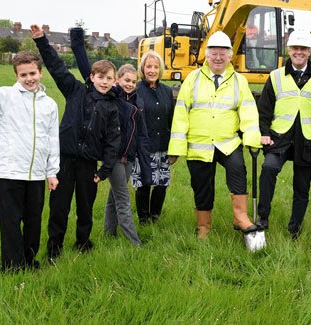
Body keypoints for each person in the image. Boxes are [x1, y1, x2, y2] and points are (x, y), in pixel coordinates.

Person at [0, 41, 60, 272]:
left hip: (37, 174)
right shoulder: (5, 97)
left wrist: (52, 172)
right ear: (16, 75)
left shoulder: (50, 105)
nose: (29, 79)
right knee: (10, 223)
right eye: (23, 74)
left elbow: (52, 139)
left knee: (33, 222)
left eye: (33, 73)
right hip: (10, 172)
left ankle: (29, 261)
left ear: (40, 72)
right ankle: (11, 266)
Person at [168, 31, 265, 251]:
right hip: (199, 145)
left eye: (223, 54)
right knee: (202, 186)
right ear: (207, 56)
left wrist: (252, 141)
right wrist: (176, 148)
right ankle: (203, 227)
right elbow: (181, 113)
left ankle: (240, 217)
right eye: (214, 54)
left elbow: (249, 113)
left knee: (238, 171)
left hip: (227, 142)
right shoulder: (192, 79)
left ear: (230, 56)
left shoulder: (239, 81)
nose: (218, 58)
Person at [31, 24, 121, 262]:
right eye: (100, 77)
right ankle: (54, 248)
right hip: (64, 161)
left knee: (85, 207)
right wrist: (42, 41)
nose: (104, 82)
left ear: (114, 82)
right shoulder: (75, 90)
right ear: (91, 77)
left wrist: (104, 171)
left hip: (89, 164)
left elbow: (113, 142)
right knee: (59, 208)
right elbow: (57, 67)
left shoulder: (112, 108)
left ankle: (83, 242)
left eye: (109, 79)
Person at [70, 28, 150, 246]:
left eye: (133, 81)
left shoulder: (137, 102)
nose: (129, 84)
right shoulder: (111, 97)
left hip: (128, 156)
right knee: (123, 199)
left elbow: (139, 132)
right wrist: (77, 38)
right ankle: (135, 243)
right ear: (117, 80)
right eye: (125, 80)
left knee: (114, 199)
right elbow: (89, 69)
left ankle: (108, 233)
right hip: (113, 156)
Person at [256, 30, 311, 239]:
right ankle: (262, 217)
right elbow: (264, 110)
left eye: (303, 49)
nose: (299, 52)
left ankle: (295, 228)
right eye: (295, 48)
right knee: (268, 169)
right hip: (279, 138)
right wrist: (264, 133)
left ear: (309, 51)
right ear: (289, 50)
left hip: (308, 140)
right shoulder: (275, 77)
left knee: (302, 188)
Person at [135, 50, 174, 224]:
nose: (152, 70)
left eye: (156, 67)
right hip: (143, 147)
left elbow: (172, 119)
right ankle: (143, 219)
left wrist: (175, 149)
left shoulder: (167, 91)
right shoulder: (136, 90)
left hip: (163, 145)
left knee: (162, 183)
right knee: (144, 183)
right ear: (142, 68)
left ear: (160, 69)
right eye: (148, 66)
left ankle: (155, 217)